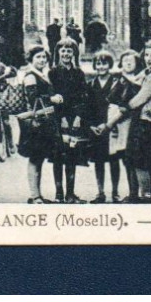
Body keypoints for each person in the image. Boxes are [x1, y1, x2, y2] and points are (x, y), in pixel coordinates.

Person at [101, 40, 151, 203]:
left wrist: (112, 120)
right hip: (149, 123)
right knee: (146, 163)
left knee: (141, 163)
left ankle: (146, 198)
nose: (149, 58)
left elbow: (136, 101)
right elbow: (135, 79)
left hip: (147, 124)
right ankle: (146, 196)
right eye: (146, 55)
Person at [17, 44, 61, 203]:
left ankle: (38, 195)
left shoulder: (43, 74)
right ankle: (35, 195)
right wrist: (52, 99)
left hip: (44, 122)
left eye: (44, 57)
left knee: (40, 157)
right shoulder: (30, 76)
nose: (42, 60)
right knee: (35, 158)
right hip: (35, 123)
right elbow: (32, 98)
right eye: (38, 57)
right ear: (31, 59)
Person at [49, 37, 90, 203]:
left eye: (69, 50)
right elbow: (53, 95)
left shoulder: (79, 73)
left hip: (75, 119)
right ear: (58, 52)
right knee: (58, 155)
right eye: (63, 50)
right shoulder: (53, 73)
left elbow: (83, 96)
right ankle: (59, 193)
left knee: (72, 154)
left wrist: (79, 116)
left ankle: (70, 194)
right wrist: (63, 118)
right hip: (59, 119)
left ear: (74, 53)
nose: (66, 53)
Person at [86, 49, 122, 203]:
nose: (101, 67)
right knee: (99, 161)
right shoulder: (91, 84)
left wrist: (110, 123)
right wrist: (91, 126)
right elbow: (87, 108)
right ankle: (100, 192)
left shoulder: (117, 83)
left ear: (110, 65)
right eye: (98, 64)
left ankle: (115, 192)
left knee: (114, 160)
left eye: (104, 63)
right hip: (97, 128)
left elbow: (120, 106)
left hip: (112, 126)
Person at [110, 49, 142, 203]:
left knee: (135, 158)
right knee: (125, 157)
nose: (128, 63)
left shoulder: (140, 80)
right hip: (121, 122)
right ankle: (132, 191)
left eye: (131, 60)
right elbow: (112, 99)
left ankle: (138, 192)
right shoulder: (118, 80)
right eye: (125, 60)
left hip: (135, 122)